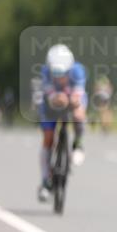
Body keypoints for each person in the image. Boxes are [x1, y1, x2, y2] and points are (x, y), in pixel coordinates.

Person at [37, 44, 88, 202]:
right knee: (48, 138)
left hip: (72, 97)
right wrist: (57, 98)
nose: (59, 77)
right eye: (55, 73)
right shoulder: (45, 72)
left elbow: (79, 93)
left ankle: (78, 144)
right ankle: (46, 180)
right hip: (51, 102)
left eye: (62, 73)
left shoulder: (78, 71)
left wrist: (73, 101)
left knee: (79, 114)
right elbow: (49, 94)